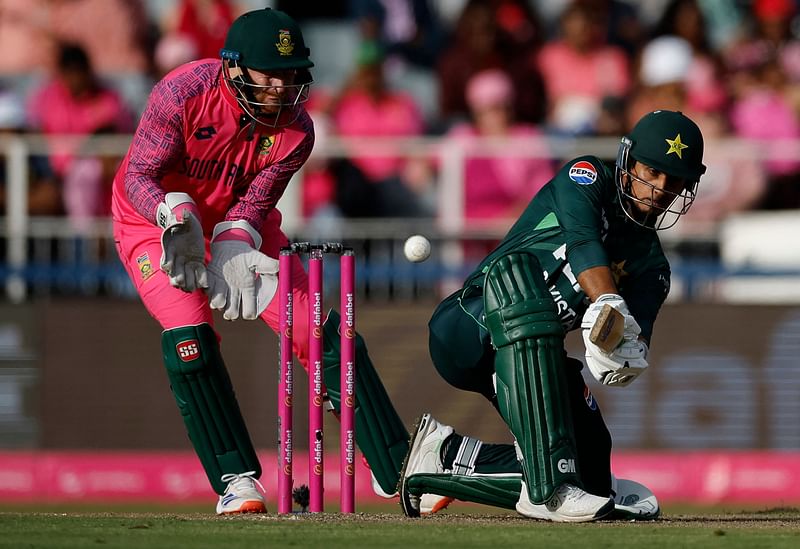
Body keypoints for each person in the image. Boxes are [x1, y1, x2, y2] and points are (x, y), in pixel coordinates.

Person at [111, 8, 413, 514]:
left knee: (317, 328)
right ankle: (236, 480)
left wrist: (235, 236)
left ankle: (397, 466)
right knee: (191, 340)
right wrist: (173, 214)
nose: (282, 85)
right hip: (151, 222)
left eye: (291, 72)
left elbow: (255, 202)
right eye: (270, 73)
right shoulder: (182, 93)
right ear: (233, 67)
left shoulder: (298, 131)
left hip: (236, 219)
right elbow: (141, 173)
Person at [398, 110, 707, 521]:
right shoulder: (587, 176)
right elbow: (584, 245)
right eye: (652, 171)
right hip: (470, 322)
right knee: (558, 471)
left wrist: (624, 355)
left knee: (593, 474)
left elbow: (635, 337)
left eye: (675, 180)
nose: (661, 190)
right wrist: (608, 304)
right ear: (628, 160)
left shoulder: (653, 266)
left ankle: (446, 456)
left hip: (537, 352)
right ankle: (547, 485)